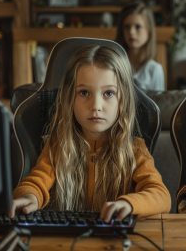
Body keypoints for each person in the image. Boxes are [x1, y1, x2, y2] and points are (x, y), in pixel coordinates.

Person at [9, 45, 171, 222]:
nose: (95, 105)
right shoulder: (57, 145)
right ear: (70, 98)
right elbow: (35, 182)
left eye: (108, 93)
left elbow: (161, 195)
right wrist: (29, 197)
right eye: (84, 92)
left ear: (123, 100)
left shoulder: (135, 149)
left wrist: (129, 204)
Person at [116, 2, 165, 91]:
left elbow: (157, 104)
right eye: (127, 26)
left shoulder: (154, 70)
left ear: (149, 31)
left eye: (138, 27)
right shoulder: (115, 65)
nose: (131, 32)